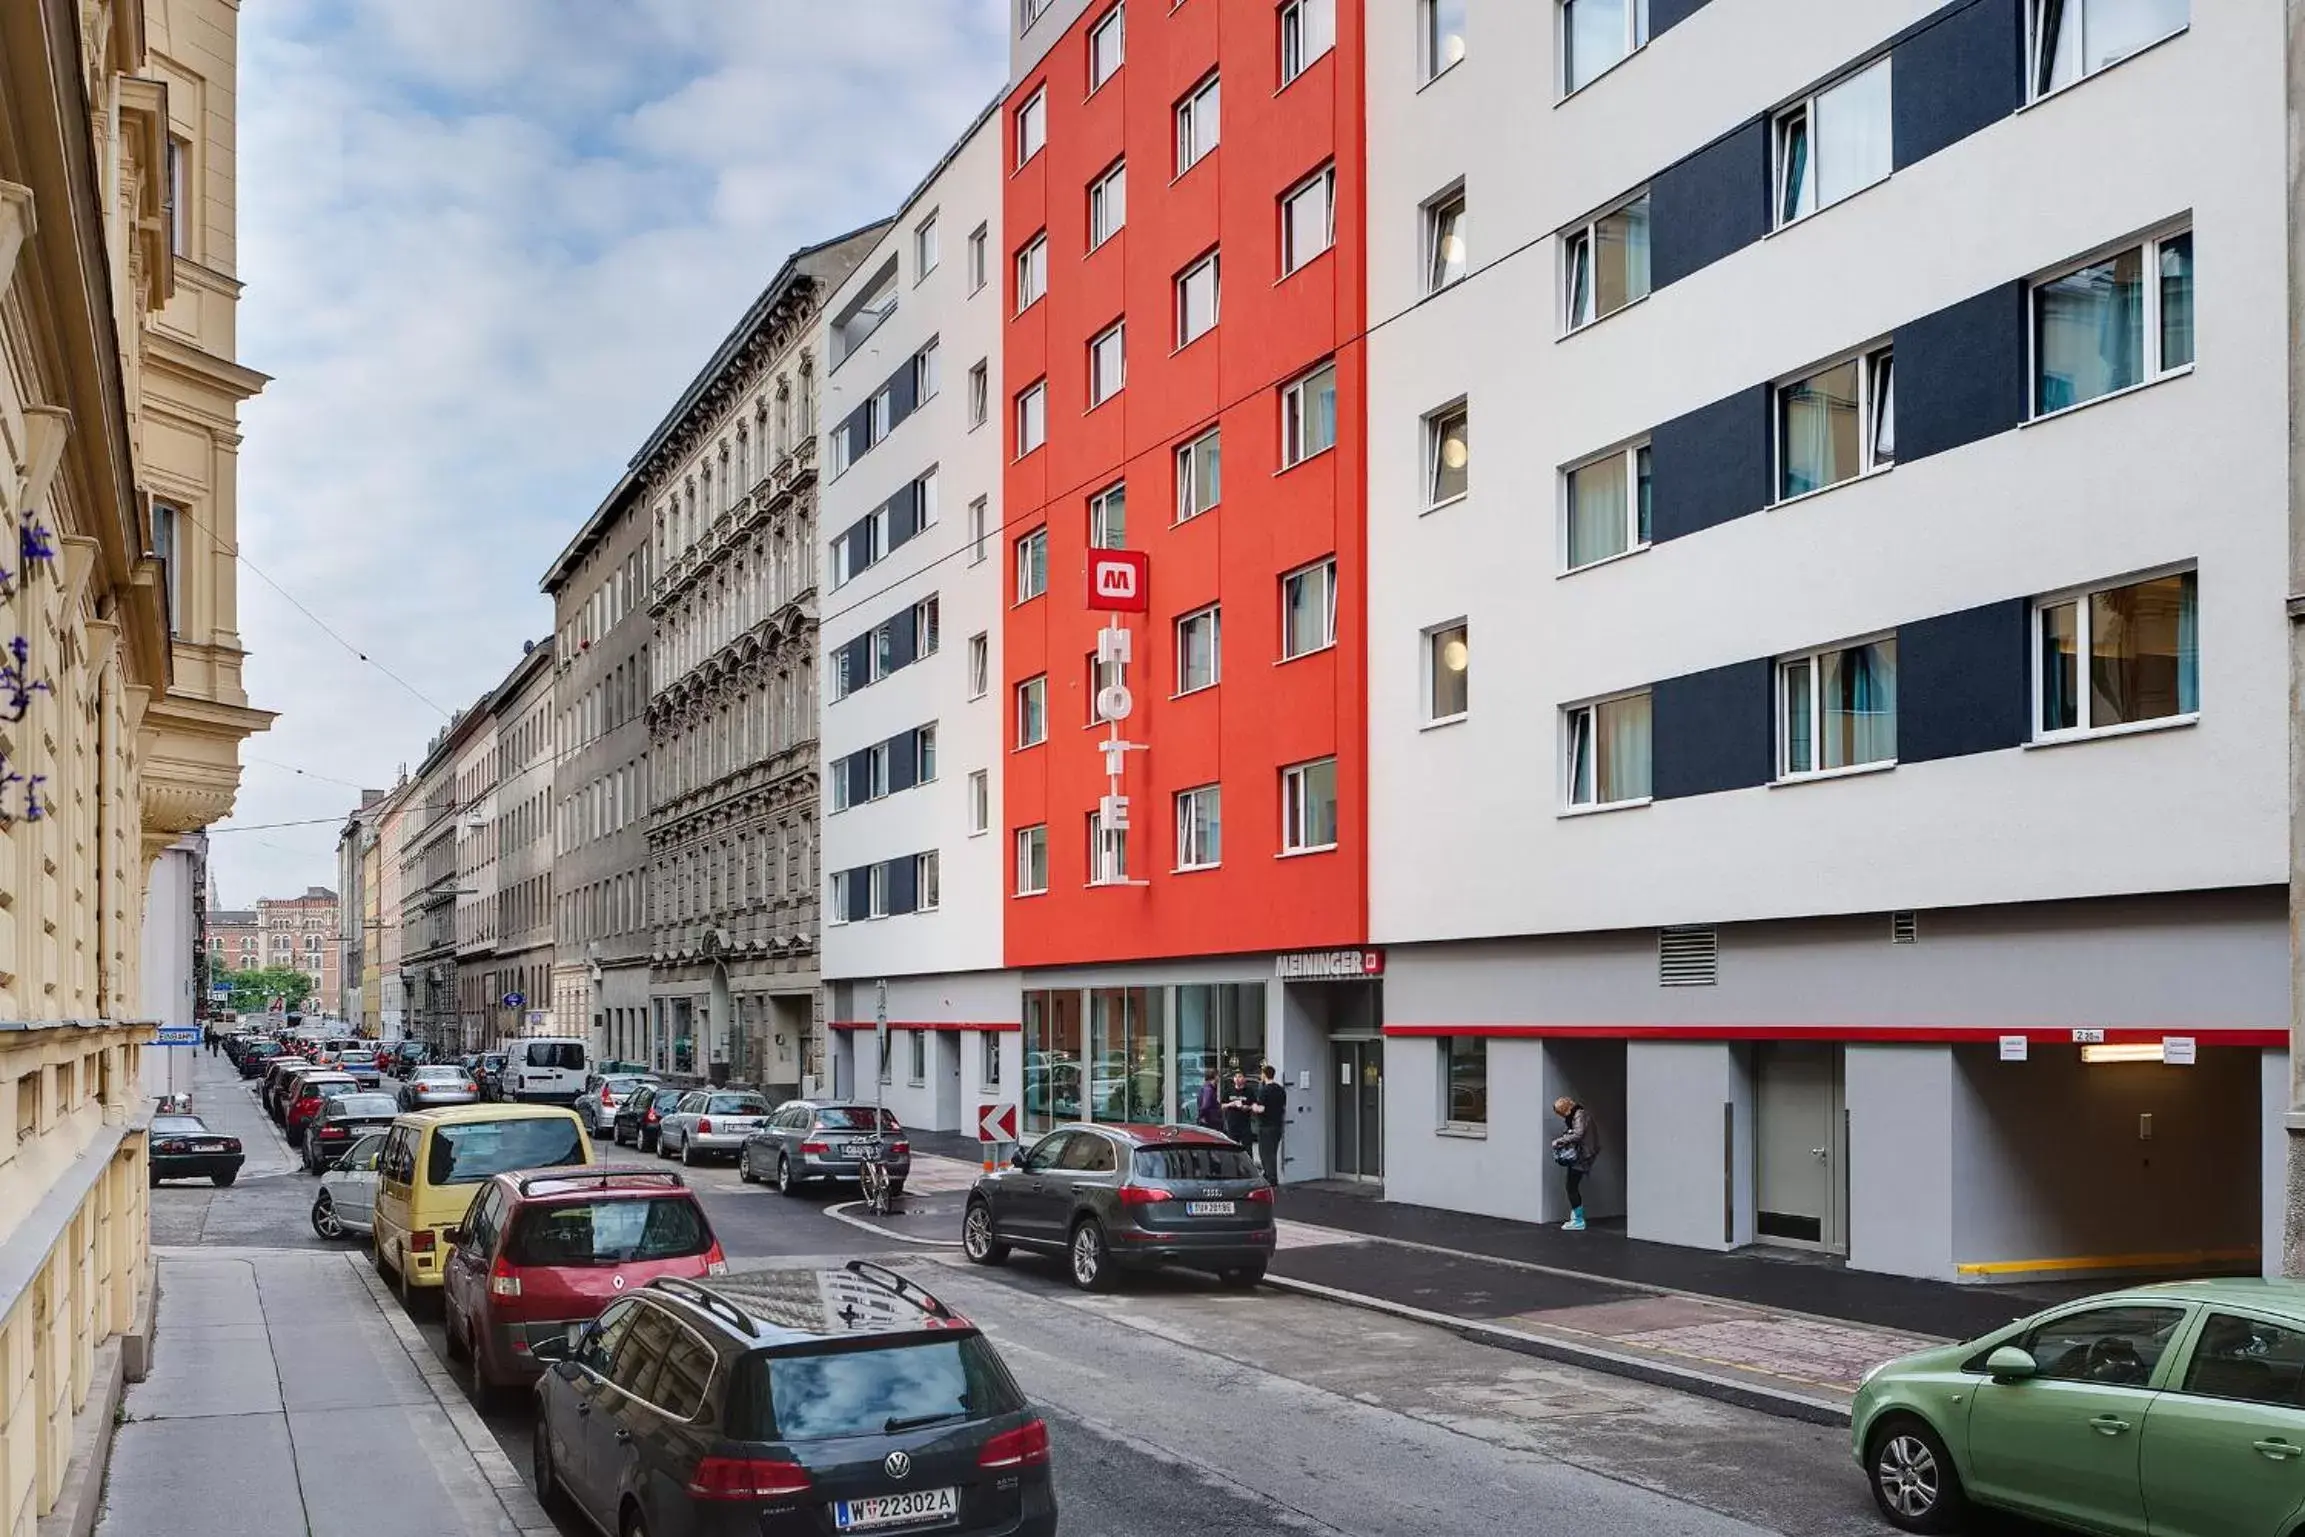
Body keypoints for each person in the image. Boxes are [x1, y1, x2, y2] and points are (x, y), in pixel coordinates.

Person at [1551, 1096, 1599, 1231]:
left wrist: (1561, 1141)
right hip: (1583, 1154)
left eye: (1560, 1112)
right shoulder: (1578, 1114)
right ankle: (1576, 1215)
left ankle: (1578, 1220)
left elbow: (1578, 1134)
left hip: (1582, 1156)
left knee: (1571, 1186)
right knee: (1571, 1185)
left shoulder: (1579, 1115)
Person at [1252, 1065, 1288, 1186]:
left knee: (1265, 1154)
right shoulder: (1281, 1090)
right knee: (1273, 1152)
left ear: (1264, 1074)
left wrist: (1253, 1107)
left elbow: (1261, 1109)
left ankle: (1271, 1178)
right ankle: (1271, 1176)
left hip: (1266, 1126)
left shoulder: (1264, 1090)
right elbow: (1283, 1107)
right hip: (1277, 1125)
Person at [1221, 1070, 1255, 1148]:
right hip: (1232, 1125)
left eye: (1239, 1076)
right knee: (1232, 1148)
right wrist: (1231, 1104)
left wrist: (1247, 1107)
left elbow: (1254, 1105)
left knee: (1247, 1148)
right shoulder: (1229, 1091)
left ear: (1244, 1079)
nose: (1237, 1078)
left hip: (1245, 1125)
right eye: (1235, 1077)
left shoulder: (1249, 1091)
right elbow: (1222, 1106)